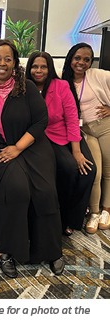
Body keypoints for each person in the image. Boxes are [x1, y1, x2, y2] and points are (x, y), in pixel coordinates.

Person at [0, 39, 64, 278]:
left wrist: (18, 147)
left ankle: (51, 249)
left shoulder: (25, 87)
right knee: (15, 189)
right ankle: (7, 250)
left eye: (8, 59)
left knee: (45, 191)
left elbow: (40, 122)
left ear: (15, 63)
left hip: (31, 146)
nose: (2, 63)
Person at [25, 51, 96, 236]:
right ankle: (62, 219)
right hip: (43, 138)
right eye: (34, 66)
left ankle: (75, 217)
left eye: (43, 66)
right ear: (29, 68)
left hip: (67, 134)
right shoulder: (25, 88)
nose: (38, 70)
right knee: (69, 168)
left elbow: (72, 119)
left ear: (49, 69)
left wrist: (77, 151)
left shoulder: (61, 86)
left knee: (88, 170)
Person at [62, 43, 110, 234]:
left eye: (86, 59)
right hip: (85, 132)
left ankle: (106, 209)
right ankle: (95, 213)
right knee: (94, 172)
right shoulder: (63, 78)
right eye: (77, 58)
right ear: (70, 58)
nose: (81, 62)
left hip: (104, 126)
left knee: (108, 170)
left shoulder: (98, 75)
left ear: (91, 62)